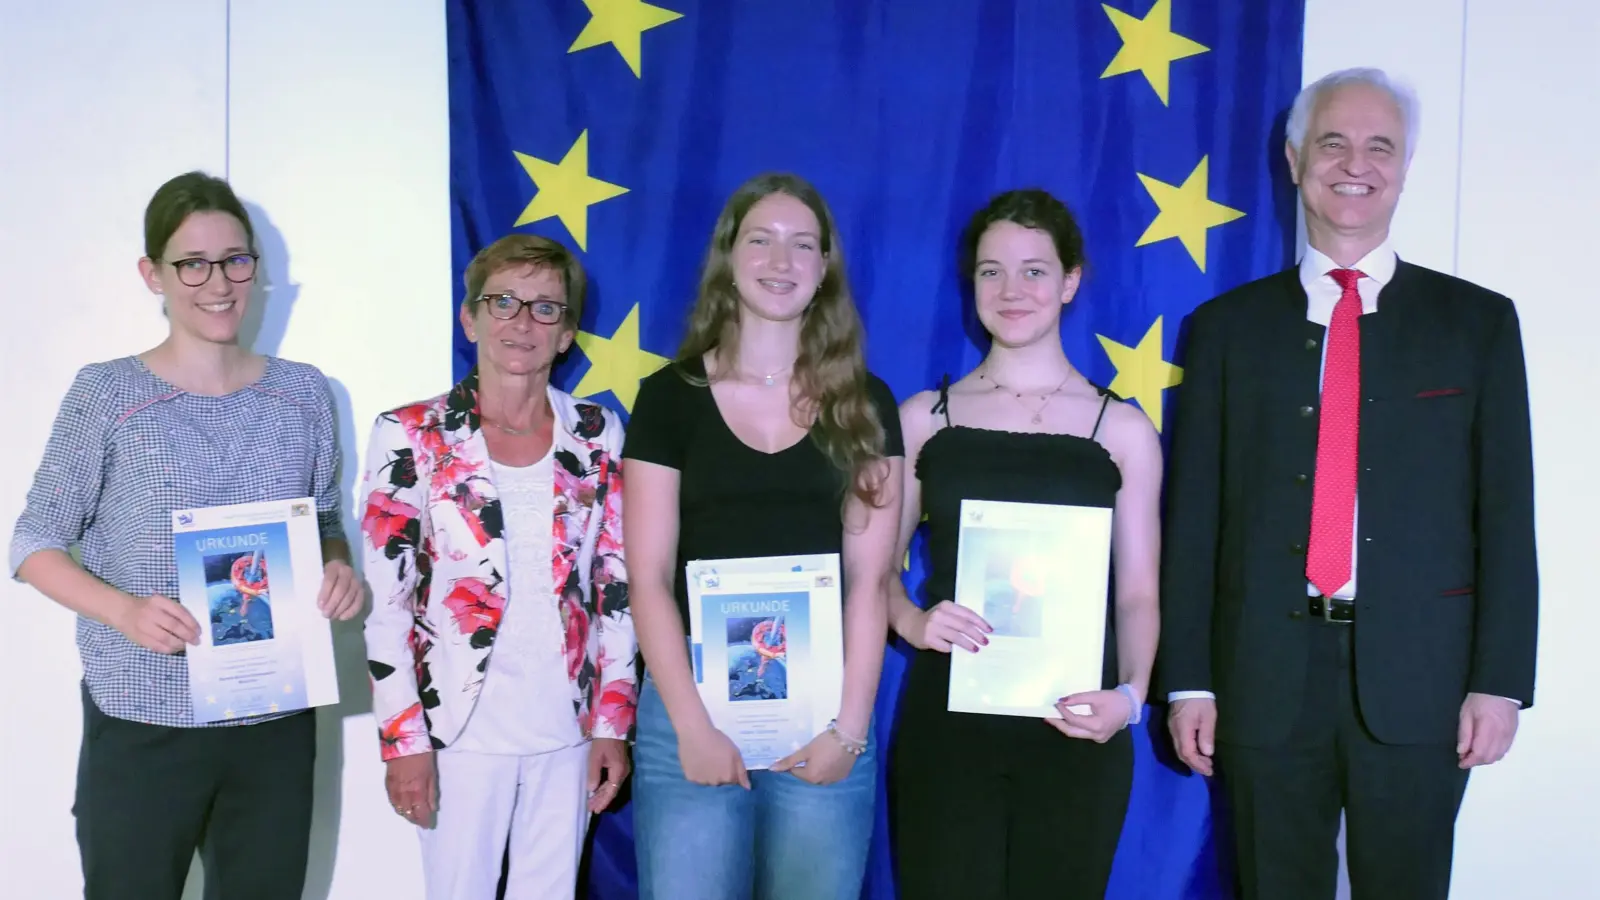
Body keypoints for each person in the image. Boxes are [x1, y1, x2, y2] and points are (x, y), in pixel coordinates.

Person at [1160, 67, 1538, 900]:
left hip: (1423, 683)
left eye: (1380, 146)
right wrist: (1189, 679)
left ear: (1404, 168)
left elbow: (1507, 515)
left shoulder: (1477, 324)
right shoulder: (1225, 330)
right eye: (1332, 142)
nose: (1355, 163)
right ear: (1295, 160)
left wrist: (1500, 680)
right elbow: (1193, 523)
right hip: (1261, 677)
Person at [8, 170, 364, 900]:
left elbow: (323, 518)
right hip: (145, 717)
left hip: (274, 716)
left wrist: (336, 568)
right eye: (191, 263)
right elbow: (34, 544)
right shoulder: (108, 394)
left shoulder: (303, 393)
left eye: (236, 259)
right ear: (153, 274)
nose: (218, 283)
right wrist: (126, 611)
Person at [623, 172, 904, 898]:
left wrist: (849, 730)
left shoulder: (867, 405)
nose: (781, 261)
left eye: (801, 245)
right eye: (762, 239)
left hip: (827, 713)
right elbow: (648, 577)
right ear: (728, 256)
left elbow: (871, 583)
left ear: (823, 271)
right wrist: (691, 725)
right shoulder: (667, 399)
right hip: (690, 707)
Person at [886, 189, 1164, 898]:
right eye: (990, 271)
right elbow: (875, 575)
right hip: (947, 730)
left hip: (1076, 725)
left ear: (1071, 281)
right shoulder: (923, 420)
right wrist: (914, 620)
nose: (1012, 290)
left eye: (1035, 270)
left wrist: (1129, 699)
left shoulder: (1124, 430)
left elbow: (1136, 593)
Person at [359, 234, 636, 899]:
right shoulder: (411, 434)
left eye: (546, 309)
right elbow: (386, 605)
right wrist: (404, 744)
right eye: (504, 301)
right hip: (457, 731)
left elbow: (615, 591)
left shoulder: (598, 433)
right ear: (470, 318)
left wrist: (612, 726)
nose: (522, 322)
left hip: (565, 730)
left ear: (568, 332)